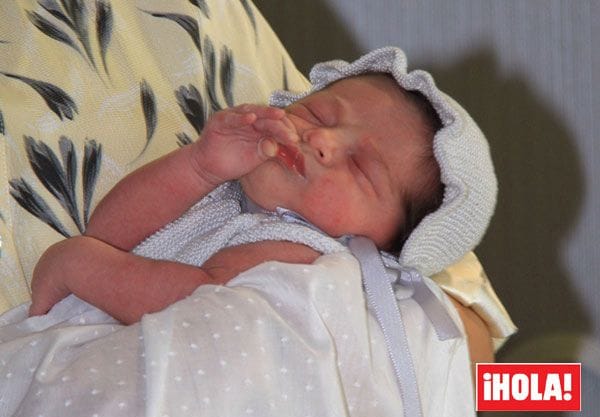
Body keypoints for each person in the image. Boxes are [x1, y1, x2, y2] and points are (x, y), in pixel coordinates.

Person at [29, 54, 495, 366]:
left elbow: (198, 307)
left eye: (360, 168)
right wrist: (198, 167)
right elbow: (108, 235)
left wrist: (83, 267)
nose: (322, 142)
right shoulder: (230, 194)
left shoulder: (309, 256)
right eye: (317, 115)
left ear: (387, 244)